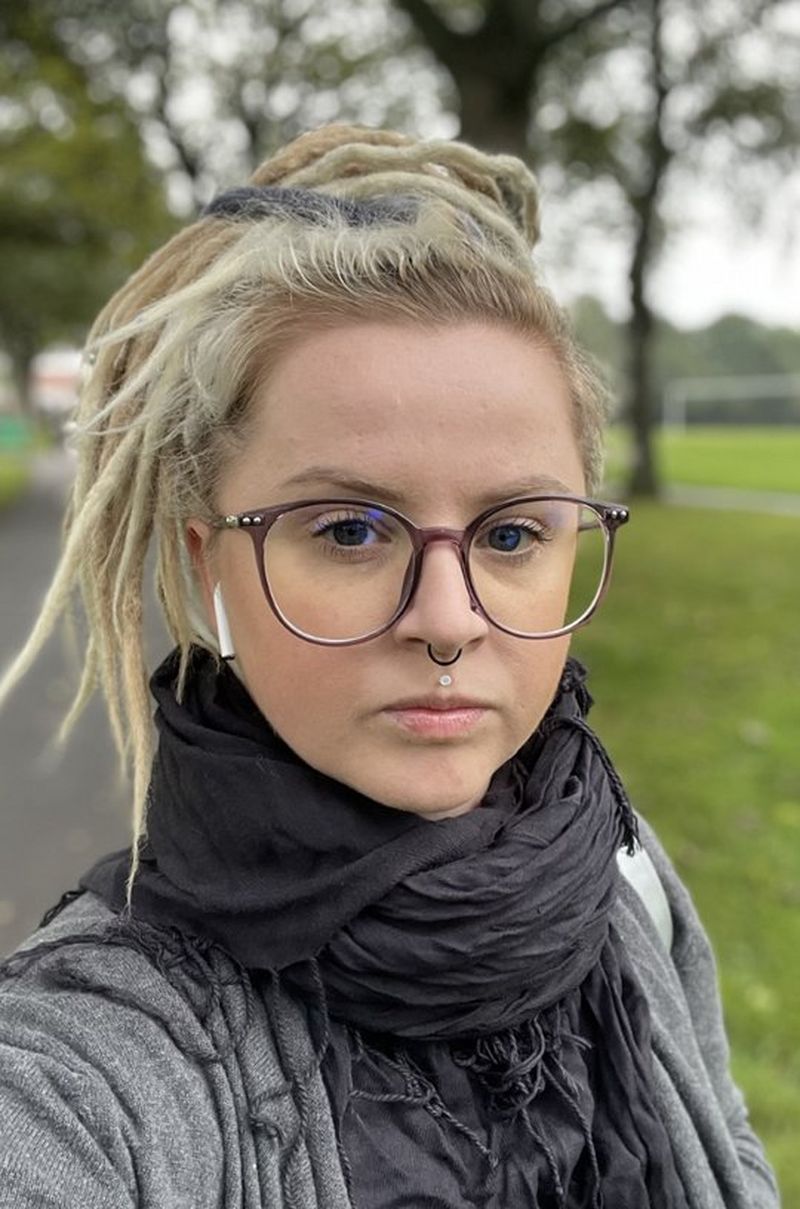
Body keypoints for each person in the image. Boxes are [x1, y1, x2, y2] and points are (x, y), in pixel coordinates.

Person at [0, 124, 779, 1209]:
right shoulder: (91, 1066)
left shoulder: (621, 869)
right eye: (351, 531)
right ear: (205, 552)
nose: (448, 623)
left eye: (511, 535)